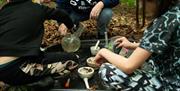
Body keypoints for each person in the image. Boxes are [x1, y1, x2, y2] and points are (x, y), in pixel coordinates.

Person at [94, 0, 180, 90]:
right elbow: (163, 42)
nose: (139, 6)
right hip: (173, 72)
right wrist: (132, 45)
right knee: (132, 54)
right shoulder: (175, 10)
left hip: (170, 84)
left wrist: (103, 52)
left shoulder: (165, 21)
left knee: (107, 70)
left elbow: (129, 66)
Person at [0, 0, 79, 86]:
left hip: (4, 68)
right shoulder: (37, 8)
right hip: (17, 68)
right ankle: (41, 81)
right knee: (73, 59)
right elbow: (62, 15)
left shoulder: (3, 11)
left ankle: (38, 79)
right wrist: (70, 27)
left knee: (43, 55)